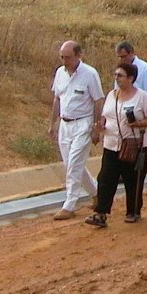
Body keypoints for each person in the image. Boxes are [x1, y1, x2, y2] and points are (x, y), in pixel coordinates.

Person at [85, 62, 147, 227]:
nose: (117, 78)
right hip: (111, 144)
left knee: (132, 180)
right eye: (116, 75)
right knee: (105, 178)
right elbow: (105, 115)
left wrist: (138, 124)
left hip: (134, 146)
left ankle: (133, 211)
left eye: (120, 75)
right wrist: (101, 125)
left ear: (131, 78)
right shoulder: (112, 95)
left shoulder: (142, 97)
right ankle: (101, 213)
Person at [48, 40, 103, 221]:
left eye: (68, 58)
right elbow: (57, 98)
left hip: (83, 123)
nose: (65, 61)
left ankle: (70, 204)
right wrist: (52, 124)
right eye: (62, 57)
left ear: (78, 55)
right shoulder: (60, 73)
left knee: (74, 164)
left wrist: (96, 127)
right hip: (65, 124)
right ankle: (96, 193)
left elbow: (97, 101)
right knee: (72, 164)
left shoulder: (90, 74)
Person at [115, 41, 147, 177]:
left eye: (124, 56)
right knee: (126, 137)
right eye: (120, 57)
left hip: (139, 107)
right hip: (123, 107)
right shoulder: (121, 69)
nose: (123, 59)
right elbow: (116, 88)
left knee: (139, 138)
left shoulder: (144, 68)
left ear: (131, 52)